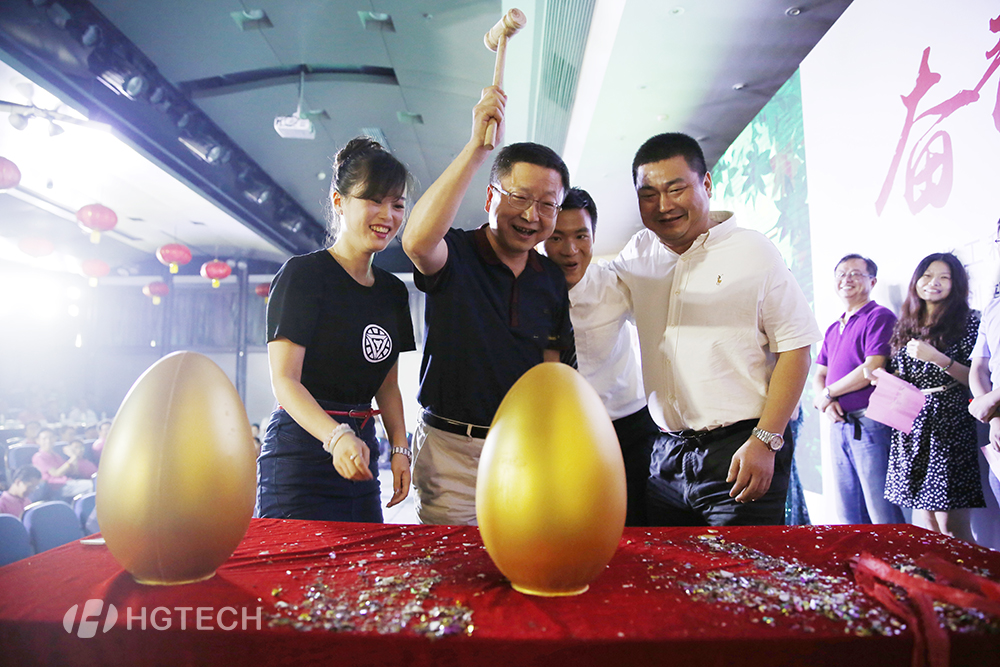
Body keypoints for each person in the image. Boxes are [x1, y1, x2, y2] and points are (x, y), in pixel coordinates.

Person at [611, 132, 820, 526]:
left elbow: (796, 349)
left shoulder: (753, 251)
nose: (663, 205)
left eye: (676, 189)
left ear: (706, 184)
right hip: (665, 458)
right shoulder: (638, 253)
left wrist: (765, 440)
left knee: (738, 564)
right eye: (649, 194)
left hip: (740, 450)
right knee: (669, 564)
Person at [401, 86, 573, 525]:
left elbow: (551, 370)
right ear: (490, 197)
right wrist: (477, 148)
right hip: (451, 452)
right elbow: (416, 242)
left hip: (523, 448)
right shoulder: (456, 253)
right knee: (454, 562)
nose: (531, 215)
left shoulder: (550, 278)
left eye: (547, 204)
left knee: (521, 558)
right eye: (519, 197)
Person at [256, 138, 415, 522]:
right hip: (300, 455)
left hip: (360, 451)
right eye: (374, 200)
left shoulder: (393, 291)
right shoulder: (303, 276)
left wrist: (399, 449)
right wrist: (336, 436)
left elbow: (388, 385)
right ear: (339, 201)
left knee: (364, 558)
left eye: (397, 204)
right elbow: (285, 381)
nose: (388, 215)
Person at [543, 187, 659, 526]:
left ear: (594, 236)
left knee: (635, 525)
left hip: (627, 427)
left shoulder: (616, 285)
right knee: (570, 526)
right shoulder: (524, 293)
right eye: (557, 237)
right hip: (560, 432)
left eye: (581, 236)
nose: (570, 250)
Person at [884, 253, 984, 541]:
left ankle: (969, 570)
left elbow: (977, 377)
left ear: (956, 284)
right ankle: (937, 570)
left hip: (949, 422)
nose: (933, 283)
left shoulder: (968, 321)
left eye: (944, 277)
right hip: (911, 423)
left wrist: (939, 359)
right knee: (925, 521)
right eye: (927, 276)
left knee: (952, 524)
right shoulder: (906, 323)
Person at [813, 254, 904, 525]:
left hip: (870, 424)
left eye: (855, 273)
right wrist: (827, 401)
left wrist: (828, 394)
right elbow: (820, 374)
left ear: (872, 282)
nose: (847, 279)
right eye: (841, 274)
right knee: (848, 513)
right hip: (839, 425)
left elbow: (872, 368)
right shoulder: (834, 327)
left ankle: (894, 555)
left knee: (881, 513)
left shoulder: (879, 316)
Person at [30, 428, 93, 499]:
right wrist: (73, 458)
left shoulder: (55, 455)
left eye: (51, 438)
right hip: (55, 487)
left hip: (66, 482)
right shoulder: (39, 457)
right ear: (38, 441)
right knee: (93, 486)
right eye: (44, 439)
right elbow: (56, 473)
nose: (48, 441)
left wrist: (73, 459)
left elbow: (72, 471)